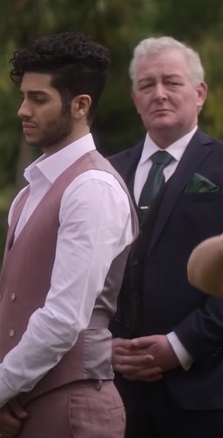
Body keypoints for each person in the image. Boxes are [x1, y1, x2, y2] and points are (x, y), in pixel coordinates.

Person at [0, 32, 136, 438]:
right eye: (23, 97)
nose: (22, 110)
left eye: (38, 99)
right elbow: (2, 301)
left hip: (74, 406)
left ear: (81, 105)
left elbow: (64, 318)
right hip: (24, 405)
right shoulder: (30, 192)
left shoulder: (92, 188)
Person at [109, 36, 223, 437]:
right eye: (147, 85)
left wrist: (181, 345)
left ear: (200, 93)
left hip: (205, 394)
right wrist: (102, 345)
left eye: (172, 82)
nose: (159, 94)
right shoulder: (105, 173)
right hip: (115, 394)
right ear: (134, 99)